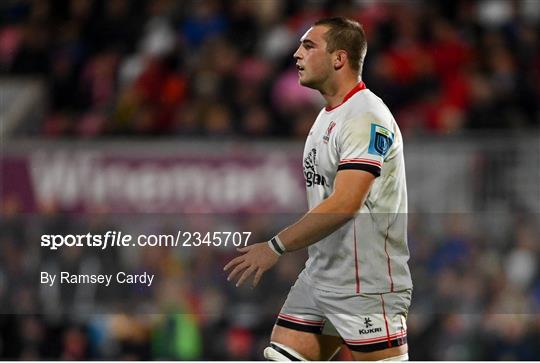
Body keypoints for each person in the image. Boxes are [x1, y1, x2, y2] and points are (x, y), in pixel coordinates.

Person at [224, 17, 412, 361]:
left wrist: (276, 246)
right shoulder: (326, 116)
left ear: (339, 59)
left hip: (365, 285)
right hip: (321, 277)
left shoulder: (366, 116)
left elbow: (345, 202)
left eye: (308, 46)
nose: (296, 54)